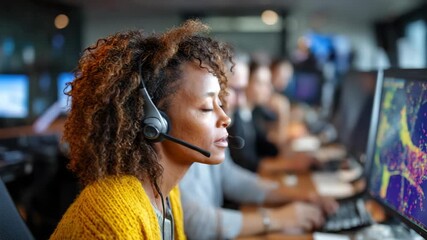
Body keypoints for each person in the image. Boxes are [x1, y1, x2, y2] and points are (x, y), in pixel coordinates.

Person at [50, 20, 233, 239]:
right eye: (205, 108)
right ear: (154, 123)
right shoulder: (111, 219)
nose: (225, 118)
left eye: (219, 104)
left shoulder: (166, 195)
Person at [179, 55, 338, 239]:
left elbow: (231, 177)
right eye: (235, 89)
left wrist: (299, 197)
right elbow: (197, 223)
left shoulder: (212, 134)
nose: (240, 100)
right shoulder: (182, 144)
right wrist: (277, 219)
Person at [229, 59, 316, 175]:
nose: (268, 89)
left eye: (268, 83)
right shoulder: (234, 119)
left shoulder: (253, 113)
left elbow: (270, 149)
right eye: (261, 83)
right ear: (246, 83)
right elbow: (246, 163)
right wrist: (291, 164)